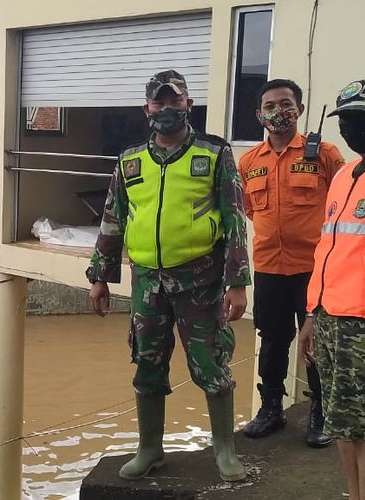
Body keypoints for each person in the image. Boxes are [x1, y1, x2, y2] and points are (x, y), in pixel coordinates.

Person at [87, 70, 250, 482]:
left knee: (211, 365)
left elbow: (234, 219)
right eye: (158, 103)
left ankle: (224, 451)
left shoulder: (214, 153)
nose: (166, 109)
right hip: (148, 283)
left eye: (174, 101)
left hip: (201, 282)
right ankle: (150, 449)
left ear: (188, 106)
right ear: (147, 109)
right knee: (147, 364)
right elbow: (112, 218)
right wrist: (100, 276)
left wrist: (237, 283)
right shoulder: (129, 160)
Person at [238, 79, 345, 447]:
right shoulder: (249, 162)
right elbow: (251, 211)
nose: (278, 111)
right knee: (272, 339)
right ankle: (271, 408)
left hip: (315, 268)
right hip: (269, 266)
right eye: (270, 106)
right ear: (259, 115)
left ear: (298, 109)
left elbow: (341, 205)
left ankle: (320, 412)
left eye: (285, 103)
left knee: (316, 342)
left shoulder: (326, 155)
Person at [298, 79, 365, 500]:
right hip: (332, 315)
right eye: (346, 119)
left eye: (363, 118)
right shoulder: (345, 174)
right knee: (342, 422)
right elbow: (329, 246)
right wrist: (313, 313)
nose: (352, 127)